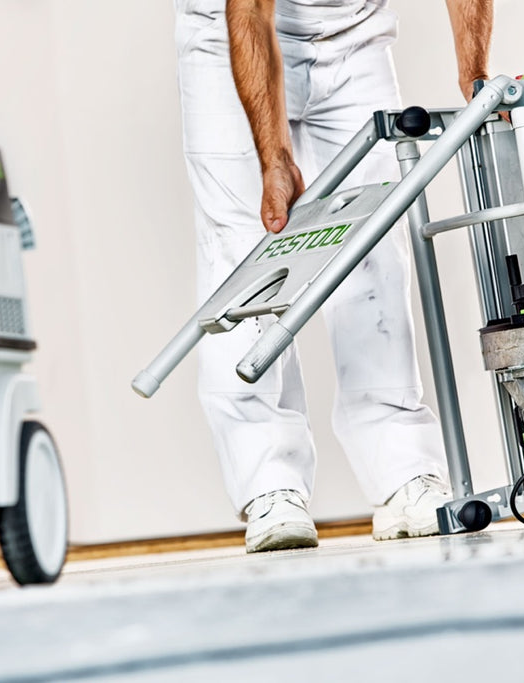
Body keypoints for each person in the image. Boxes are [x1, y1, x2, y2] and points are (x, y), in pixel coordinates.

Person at [173, 0, 493, 552]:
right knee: (245, 255)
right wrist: (274, 159)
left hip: (353, 33)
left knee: (374, 249)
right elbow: (248, 11)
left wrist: (476, 75)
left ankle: (402, 474)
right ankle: (270, 484)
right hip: (228, 32)